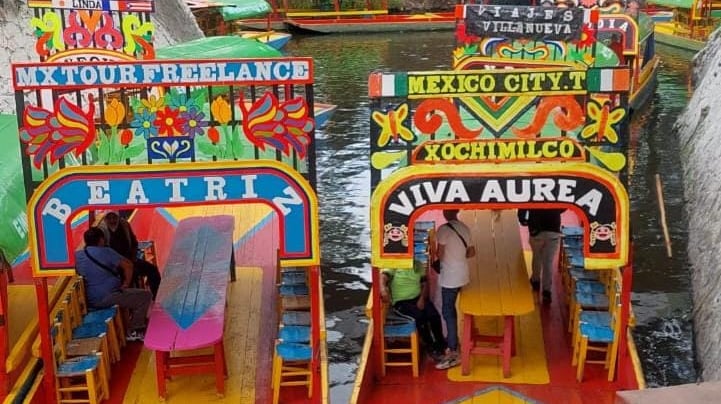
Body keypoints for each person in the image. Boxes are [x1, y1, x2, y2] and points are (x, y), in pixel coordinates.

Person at [75, 227, 152, 341]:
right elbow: (128, 266)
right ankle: (135, 330)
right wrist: (126, 284)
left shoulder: (78, 255)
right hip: (108, 296)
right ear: (101, 240)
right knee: (144, 296)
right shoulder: (106, 252)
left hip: (90, 299)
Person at [434, 209, 475, 370]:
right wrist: (458, 256)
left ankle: (453, 350)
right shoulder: (465, 228)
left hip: (450, 278)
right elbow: (471, 252)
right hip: (463, 274)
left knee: (448, 311)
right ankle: (453, 340)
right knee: (452, 309)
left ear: (445, 213)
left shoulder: (443, 230)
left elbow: (440, 254)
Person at [380, 267, 447, 361]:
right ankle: (430, 346)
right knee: (420, 318)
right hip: (401, 302)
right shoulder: (395, 266)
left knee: (434, 315)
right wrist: (383, 289)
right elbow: (383, 277)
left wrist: (422, 298)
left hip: (417, 298)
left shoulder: (417, 265)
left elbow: (424, 284)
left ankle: (441, 343)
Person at [98, 211, 161, 299]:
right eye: (109, 218)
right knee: (129, 276)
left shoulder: (125, 225)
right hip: (113, 265)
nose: (112, 220)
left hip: (129, 260)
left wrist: (133, 258)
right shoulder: (101, 230)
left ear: (118, 217)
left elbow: (134, 243)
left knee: (152, 270)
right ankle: (133, 302)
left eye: (114, 217)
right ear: (105, 219)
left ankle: (155, 298)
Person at [517, 208, 565, 305]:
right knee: (548, 262)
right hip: (553, 230)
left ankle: (535, 281)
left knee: (536, 257)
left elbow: (523, 207)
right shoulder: (555, 198)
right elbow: (565, 205)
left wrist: (523, 219)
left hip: (536, 229)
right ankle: (546, 291)